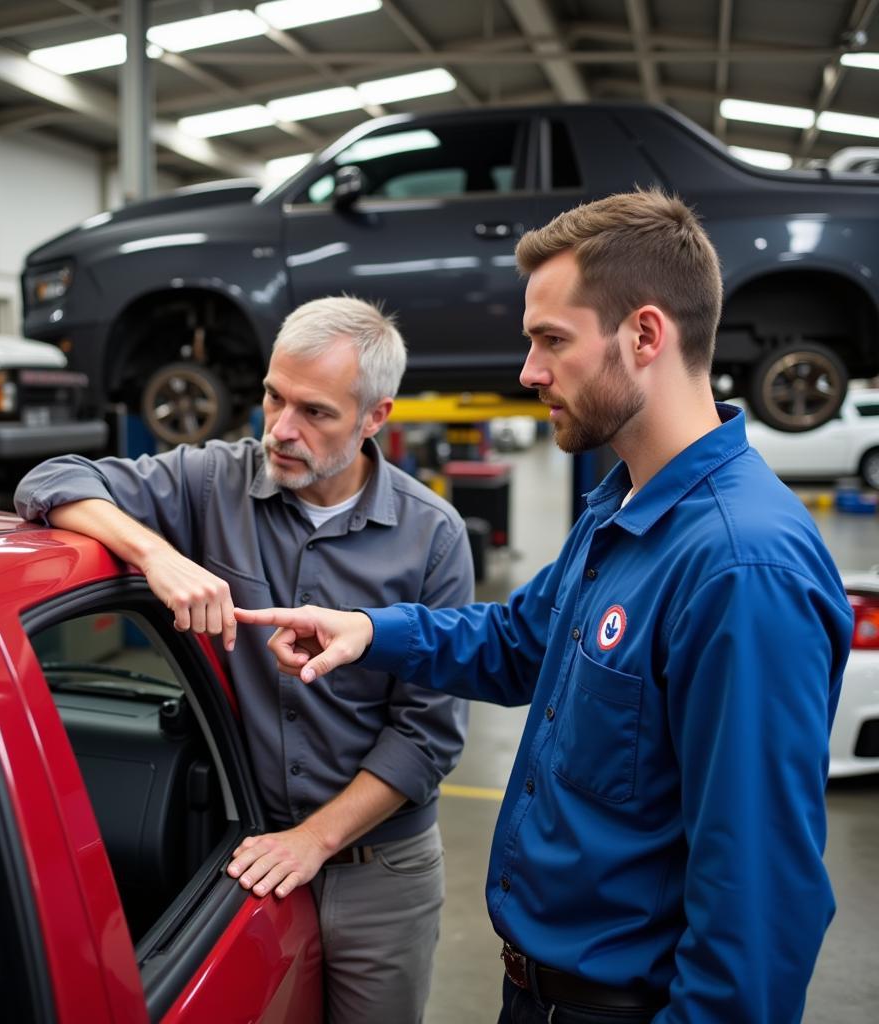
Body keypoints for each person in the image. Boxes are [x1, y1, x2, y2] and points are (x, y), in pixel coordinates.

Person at [234, 190, 854, 1024]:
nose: (527, 372)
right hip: (540, 994)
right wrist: (370, 630)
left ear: (644, 335)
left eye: (551, 341)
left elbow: (759, 905)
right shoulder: (622, 508)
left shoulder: (740, 568)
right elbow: (520, 643)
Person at [14, 296, 472, 1024]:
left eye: (315, 412)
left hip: (377, 871)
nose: (282, 430)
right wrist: (156, 554)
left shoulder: (432, 537)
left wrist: (312, 841)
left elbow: (427, 737)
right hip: (250, 851)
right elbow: (51, 480)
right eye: (272, 397)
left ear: (374, 417)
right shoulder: (210, 481)